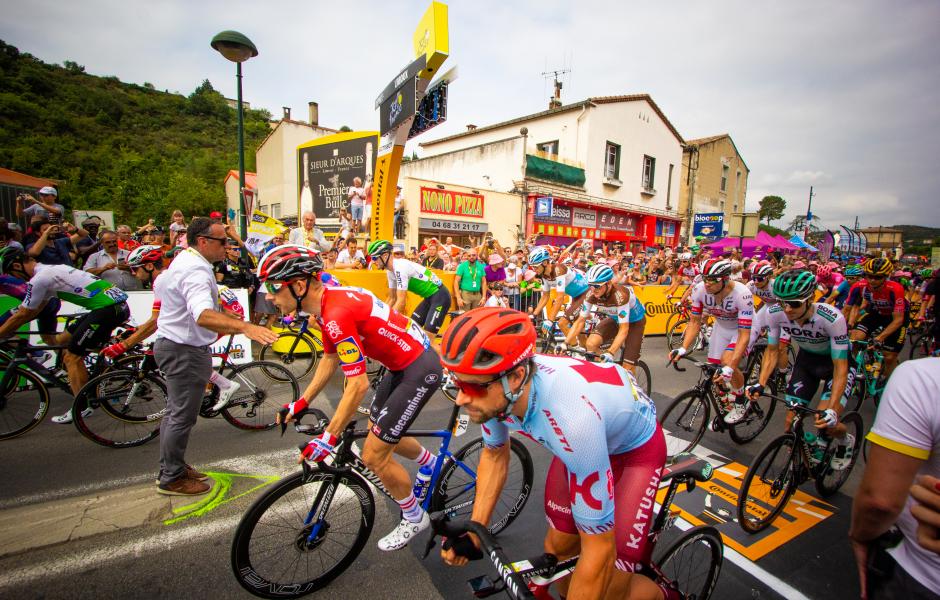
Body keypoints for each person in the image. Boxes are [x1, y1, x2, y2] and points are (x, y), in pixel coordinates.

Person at [438, 308, 670, 600]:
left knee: (611, 586)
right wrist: (475, 531)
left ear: (516, 377)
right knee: (558, 554)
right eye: (457, 383)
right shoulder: (499, 391)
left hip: (634, 454)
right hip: (587, 443)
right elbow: (495, 455)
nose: (461, 397)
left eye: (471, 386)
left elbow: (599, 550)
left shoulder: (571, 421)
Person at [260, 245, 443, 550]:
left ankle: (414, 517)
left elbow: (357, 385)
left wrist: (328, 438)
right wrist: (301, 402)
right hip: (402, 363)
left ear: (300, 286)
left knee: (373, 454)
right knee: (378, 428)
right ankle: (430, 463)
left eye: (272, 287)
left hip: (419, 367)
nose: (268, 296)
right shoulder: (328, 307)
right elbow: (329, 359)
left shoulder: (335, 314)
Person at [152, 217, 277, 496]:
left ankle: (174, 466)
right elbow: (202, 315)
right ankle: (171, 477)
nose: (227, 246)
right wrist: (246, 326)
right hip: (183, 349)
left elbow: (197, 306)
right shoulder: (196, 269)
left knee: (177, 414)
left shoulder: (189, 261)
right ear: (203, 241)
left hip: (179, 346)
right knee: (181, 416)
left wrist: (225, 313)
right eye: (223, 241)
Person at [101, 245, 246, 413]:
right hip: (218, 311)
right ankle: (207, 387)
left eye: (135, 269)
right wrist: (136, 332)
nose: (133, 273)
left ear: (148, 266)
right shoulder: (166, 277)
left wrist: (123, 346)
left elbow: (156, 321)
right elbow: (161, 318)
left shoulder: (162, 280)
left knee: (188, 353)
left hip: (228, 313)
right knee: (185, 351)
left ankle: (223, 385)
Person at [0, 247, 131, 424]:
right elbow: (33, 311)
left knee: (71, 357)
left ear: (17, 265)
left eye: (13, 274)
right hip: (111, 306)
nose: (16, 279)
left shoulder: (40, 279)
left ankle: (82, 406)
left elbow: (23, 314)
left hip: (107, 309)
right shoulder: (50, 271)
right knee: (61, 341)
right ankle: (94, 376)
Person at [850, 357, 940, 599]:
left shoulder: (924, 378)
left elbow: (879, 502)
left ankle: (840, 442)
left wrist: (859, 536)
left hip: (919, 574)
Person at [746, 271, 855, 465]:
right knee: (790, 423)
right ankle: (804, 465)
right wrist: (760, 384)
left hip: (834, 364)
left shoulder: (831, 319)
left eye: (794, 303)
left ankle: (845, 440)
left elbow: (840, 368)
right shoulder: (774, 313)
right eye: (782, 302)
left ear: (810, 298)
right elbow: (772, 351)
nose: (787, 309)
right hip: (807, 362)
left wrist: (832, 410)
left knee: (825, 421)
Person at [669, 259, 753, 424]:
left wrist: (730, 367)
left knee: (727, 362)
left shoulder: (742, 294)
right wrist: (683, 348)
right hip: (721, 327)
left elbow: (744, 335)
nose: (707, 283)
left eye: (712, 279)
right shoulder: (700, 290)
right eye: (704, 278)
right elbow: (694, 322)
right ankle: (725, 407)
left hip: (741, 329)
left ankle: (741, 400)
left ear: (725, 278)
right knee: (713, 372)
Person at [565, 263, 647, 373]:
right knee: (590, 344)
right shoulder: (591, 295)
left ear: (608, 283)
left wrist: (611, 352)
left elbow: (624, 329)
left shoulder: (620, 295)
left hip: (635, 323)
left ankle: (631, 387)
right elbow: (580, 321)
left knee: (627, 368)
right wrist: (565, 343)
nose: (593, 290)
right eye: (590, 285)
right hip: (615, 319)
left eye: (597, 286)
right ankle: (608, 373)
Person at [368, 239, 451, 339]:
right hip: (429, 298)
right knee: (410, 332)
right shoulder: (390, 271)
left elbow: (401, 302)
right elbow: (391, 298)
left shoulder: (400, 267)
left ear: (385, 255)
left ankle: (439, 354)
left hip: (440, 296)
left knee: (428, 340)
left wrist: (387, 322)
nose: (372, 261)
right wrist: (380, 317)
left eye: (374, 257)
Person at [847, 257, 907, 380]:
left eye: (878, 277)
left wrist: (879, 338)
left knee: (889, 356)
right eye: (869, 276)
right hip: (876, 313)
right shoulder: (859, 286)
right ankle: (854, 367)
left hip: (895, 318)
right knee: (854, 338)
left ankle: (889, 381)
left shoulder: (895, 289)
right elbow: (847, 309)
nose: (872, 280)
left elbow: (898, 320)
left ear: (886, 276)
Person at [527, 245, 590, 338]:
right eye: (532, 267)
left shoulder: (558, 270)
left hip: (585, 294)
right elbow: (545, 297)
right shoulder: (544, 275)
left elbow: (560, 298)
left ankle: (572, 347)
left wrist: (550, 320)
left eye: (535, 267)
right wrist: (534, 314)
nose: (534, 270)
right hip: (575, 297)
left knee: (562, 323)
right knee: (579, 332)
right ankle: (580, 350)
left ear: (544, 262)